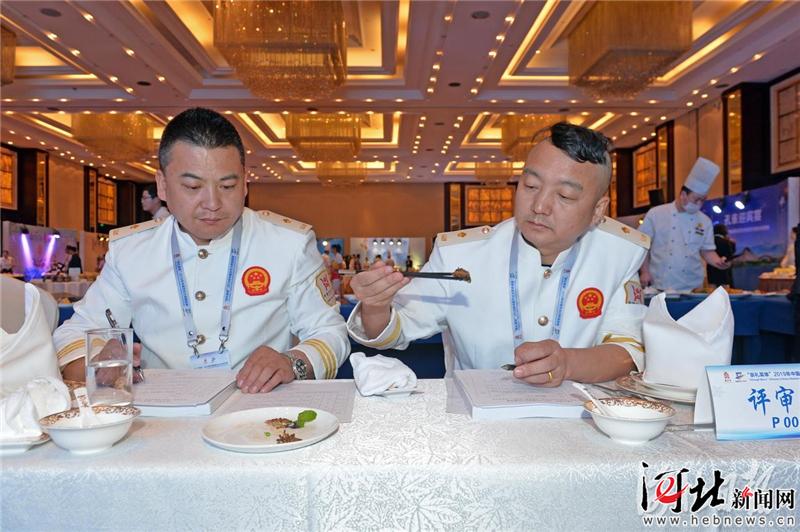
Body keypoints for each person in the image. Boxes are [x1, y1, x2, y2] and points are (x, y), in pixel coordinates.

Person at [54, 107, 350, 392]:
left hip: (258, 409)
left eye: (227, 186)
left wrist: (292, 362)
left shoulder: (288, 243)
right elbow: (73, 332)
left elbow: (329, 331)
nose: (212, 203)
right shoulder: (131, 251)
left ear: (245, 183)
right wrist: (99, 361)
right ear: (162, 185)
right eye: (193, 187)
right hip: (160, 413)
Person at [348, 122, 650, 386]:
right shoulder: (460, 255)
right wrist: (375, 306)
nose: (540, 206)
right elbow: (394, 330)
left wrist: (569, 364)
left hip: (578, 417)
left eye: (564, 195)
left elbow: (628, 350)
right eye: (530, 185)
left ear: (598, 210)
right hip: (475, 420)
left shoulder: (619, 254)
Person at [639, 157, 730, 291]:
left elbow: (707, 251)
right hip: (660, 285)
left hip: (692, 288)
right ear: (683, 195)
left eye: (703, 200)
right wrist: (645, 271)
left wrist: (719, 262)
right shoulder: (656, 214)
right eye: (696, 199)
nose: (699, 204)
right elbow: (642, 245)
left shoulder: (705, 221)